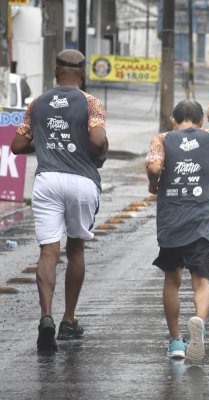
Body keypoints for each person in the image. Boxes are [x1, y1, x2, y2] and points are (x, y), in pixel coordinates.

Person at [11, 49, 108, 351]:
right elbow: (96, 139)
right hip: (81, 181)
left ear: (55, 72)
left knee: (48, 252)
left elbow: (16, 145)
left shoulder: (37, 103)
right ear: (82, 74)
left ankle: (46, 317)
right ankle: (68, 319)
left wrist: (45, 142)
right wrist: (98, 151)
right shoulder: (91, 103)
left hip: (48, 180)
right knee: (76, 248)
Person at [146, 100, 209, 362]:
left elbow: (154, 167)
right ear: (201, 121)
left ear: (173, 119)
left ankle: (176, 341)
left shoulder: (162, 138)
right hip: (201, 218)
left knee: (172, 280)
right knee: (201, 281)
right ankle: (199, 322)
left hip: (171, 219)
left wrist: (153, 183)